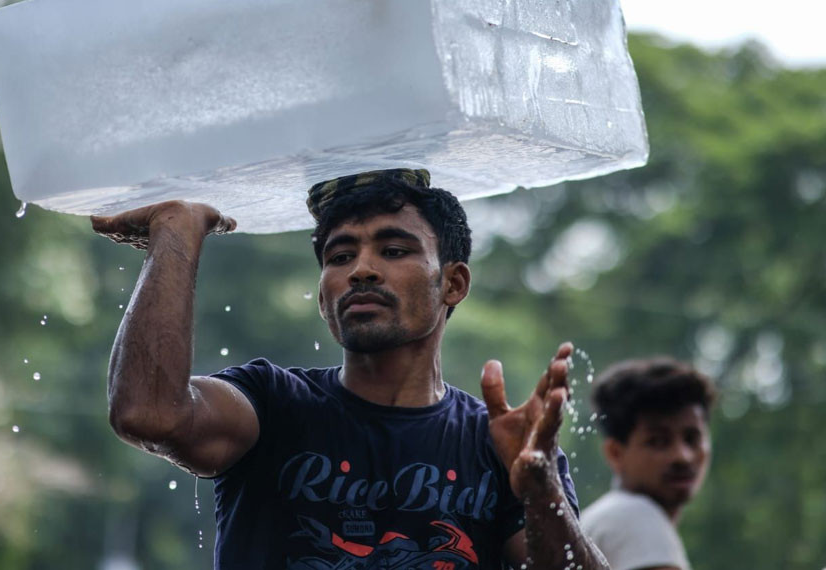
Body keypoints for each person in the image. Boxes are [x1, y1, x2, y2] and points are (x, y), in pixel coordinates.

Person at [93, 168, 609, 569]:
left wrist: (541, 491)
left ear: (452, 284)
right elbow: (149, 413)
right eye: (339, 257)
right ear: (322, 297)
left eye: (393, 249)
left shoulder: (504, 448)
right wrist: (176, 231)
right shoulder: (272, 403)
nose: (360, 269)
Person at [581, 358, 716, 570]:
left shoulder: (604, 519)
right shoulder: (633, 516)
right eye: (658, 441)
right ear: (615, 454)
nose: (682, 456)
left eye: (692, 438)